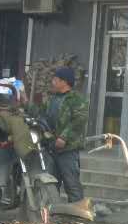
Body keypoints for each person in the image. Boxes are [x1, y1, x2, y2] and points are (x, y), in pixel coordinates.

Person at [32, 66, 88, 204]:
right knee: (51, 185)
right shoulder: (52, 99)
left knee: (72, 185)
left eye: (55, 79)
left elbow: (79, 120)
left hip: (68, 150)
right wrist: (24, 101)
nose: (53, 82)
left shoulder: (76, 99)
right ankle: (51, 213)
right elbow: (40, 113)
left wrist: (64, 137)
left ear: (64, 82)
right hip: (51, 148)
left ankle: (77, 212)